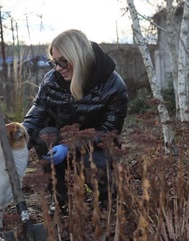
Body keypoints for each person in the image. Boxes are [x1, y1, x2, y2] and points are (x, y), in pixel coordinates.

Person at [22, 29, 128, 214]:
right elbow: (37, 115)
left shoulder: (113, 85)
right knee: (44, 136)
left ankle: (108, 201)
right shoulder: (51, 80)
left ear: (79, 57)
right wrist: (18, 142)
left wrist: (70, 147)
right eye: (54, 62)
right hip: (60, 138)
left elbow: (110, 131)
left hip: (97, 144)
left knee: (93, 163)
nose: (58, 68)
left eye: (63, 61)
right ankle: (60, 199)